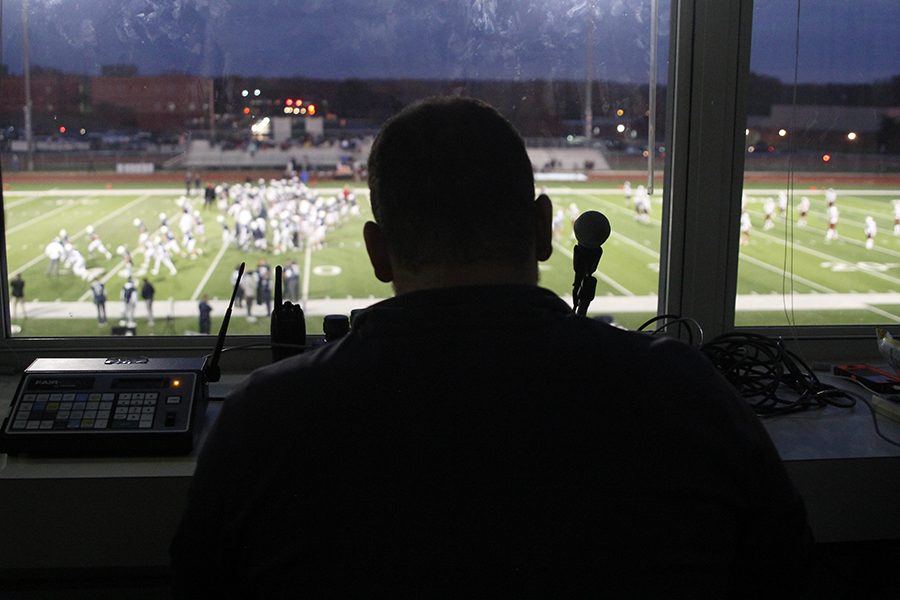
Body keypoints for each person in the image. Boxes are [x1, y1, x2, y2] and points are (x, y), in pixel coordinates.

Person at [171, 97, 811, 597]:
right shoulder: (687, 391)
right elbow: (784, 573)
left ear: (378, 253)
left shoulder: (264, 419)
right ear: (542, 229)